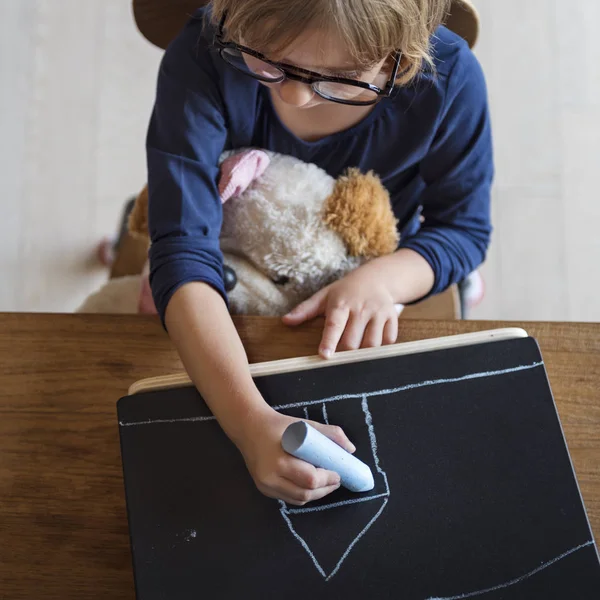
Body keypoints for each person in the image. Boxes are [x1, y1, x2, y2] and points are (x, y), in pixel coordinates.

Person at [146, 0, 493, 506]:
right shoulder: (205, 50)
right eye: (266, 59)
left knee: (445, 272)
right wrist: (249, 423)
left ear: (404, 55)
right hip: (230, 247)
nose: (295, 95)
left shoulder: (451, 79)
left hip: (371, 250)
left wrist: (387, 279)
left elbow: (463, 229)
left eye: (340, 78)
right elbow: (181, 247)